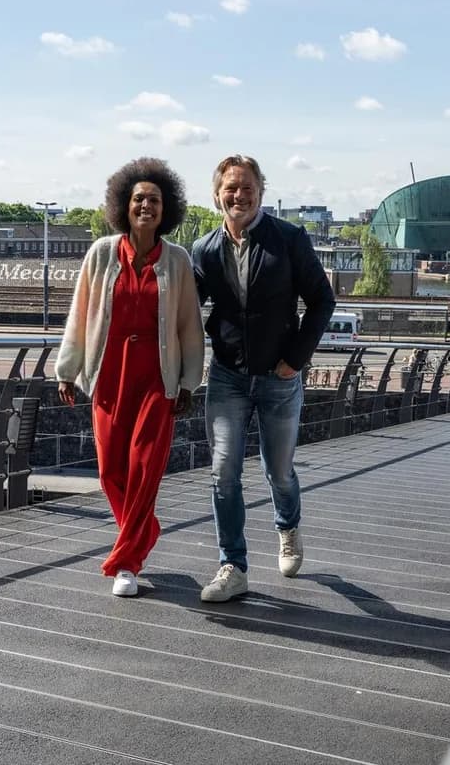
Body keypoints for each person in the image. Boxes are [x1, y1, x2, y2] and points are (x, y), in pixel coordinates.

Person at [55, 157, 205, 598]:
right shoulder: (102, 253)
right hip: (109, 375)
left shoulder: (177, 260)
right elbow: (80, 315)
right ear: (124, 203)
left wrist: (188, 382)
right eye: (139, 198)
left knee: (143, 471)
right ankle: (144, 529)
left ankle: (126, 562)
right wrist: (67, 370)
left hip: (157, 380)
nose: (146, 206)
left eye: (154, 200)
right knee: (110, 471)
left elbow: (188, 327)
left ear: (166, 208)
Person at [191, 154, 336, 603]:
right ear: (217, 194)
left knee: (279, 472)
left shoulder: (289, 239)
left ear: (261, 192)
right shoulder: (204, 250)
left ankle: (287, 528)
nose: (239, 195)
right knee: (223, 473)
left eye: (247, 187)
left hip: (279, 378)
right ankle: (232, 565)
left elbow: (321, 301)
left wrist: (296, 358)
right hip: (228, 377)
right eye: (230, 188)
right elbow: (183, 309)